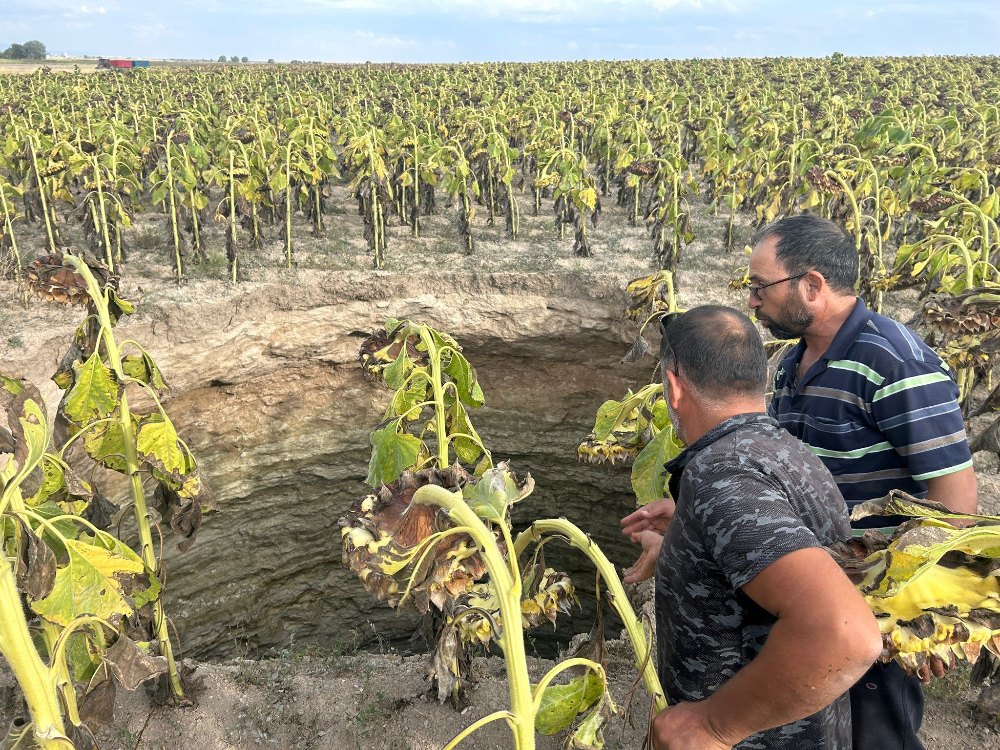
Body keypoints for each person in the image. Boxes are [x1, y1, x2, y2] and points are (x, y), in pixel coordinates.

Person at [748, 215, 977, 750]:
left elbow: (955, 493)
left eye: (761, 286)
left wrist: (920, 609)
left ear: (812, 284)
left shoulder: (893, 360)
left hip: (874, 595)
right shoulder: (792, 363)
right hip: (817, 588)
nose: (754, 301)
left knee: (877, 734)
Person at [622, 305, 883, 750]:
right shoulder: (786, 451)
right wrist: (687, 533)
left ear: (673, 387)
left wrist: (711, 726)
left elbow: (843, 632)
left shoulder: (723, 476)